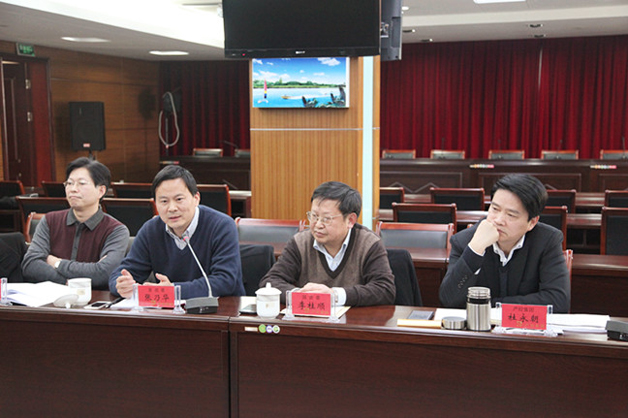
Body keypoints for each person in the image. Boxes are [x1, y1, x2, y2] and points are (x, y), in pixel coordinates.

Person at [439, 174, 570, 313]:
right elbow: (448, 300)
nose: (498, 220)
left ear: (532, 222)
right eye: (495, 209)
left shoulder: (547, 241)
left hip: (525, 326)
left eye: (511, 215)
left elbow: (558, 301)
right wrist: (475, 250)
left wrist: (491, 305)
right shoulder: (465, 241)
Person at [109, 165, 244, 299]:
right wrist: (121, 285)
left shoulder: (221, 226)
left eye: (179, 199)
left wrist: (174, 291)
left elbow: (225, 281)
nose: (172, 208)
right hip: (168, 309)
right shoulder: (151, 230)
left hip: (222, 308)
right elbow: (121, 274)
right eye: (164, 201)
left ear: (196, 198)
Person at [259, 181, 395, 306]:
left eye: (326, 219)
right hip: (309, 319)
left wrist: (335, 296)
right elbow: (270, 281)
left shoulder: (369, 244)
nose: (318, 224)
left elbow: (385, 289)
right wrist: (302, 296)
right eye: (314, 216)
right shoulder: (300, 242)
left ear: (350, 220)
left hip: (355, 321)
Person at [21, 157, 130, 289]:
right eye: (69, 183)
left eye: (81, 183)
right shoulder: (50, 221)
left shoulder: (116, 230)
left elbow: (103, 273)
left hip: (94, 299)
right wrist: (67, 282)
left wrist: (56, 263)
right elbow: (30, 265)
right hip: (51, 298)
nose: (73, 189)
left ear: (101, 191)